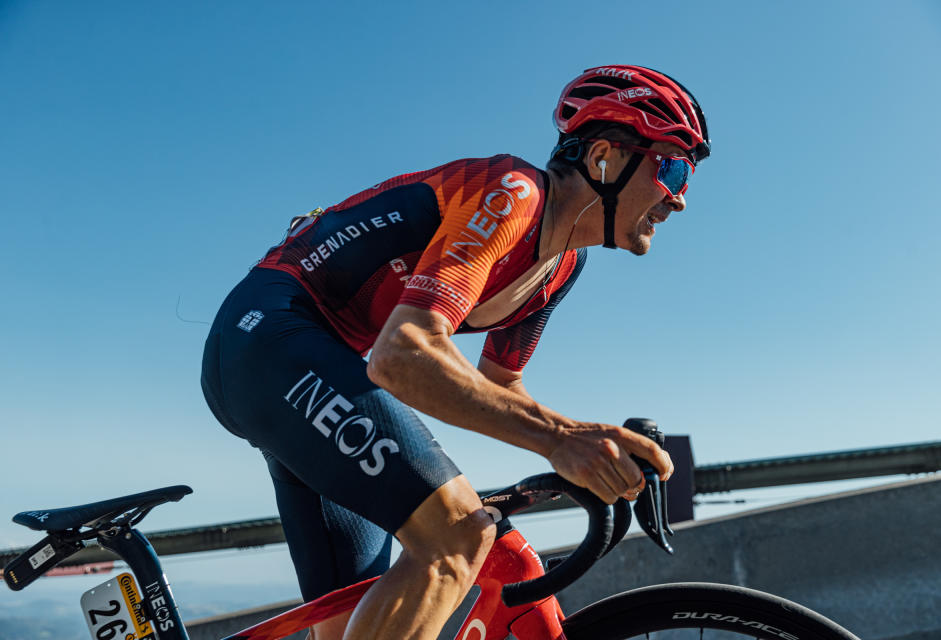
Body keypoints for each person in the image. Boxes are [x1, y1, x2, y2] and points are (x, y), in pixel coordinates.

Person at [201, 64, 710, 640]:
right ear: (603, 157)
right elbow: (403, 355)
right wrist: (562, 439)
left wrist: (585, 447)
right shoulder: (514, 195)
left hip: (315, 372)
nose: (681, 200)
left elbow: (499, 385)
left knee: (353, 621)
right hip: (267, 338)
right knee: (456, 537)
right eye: (673, 167)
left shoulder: (561, 265)